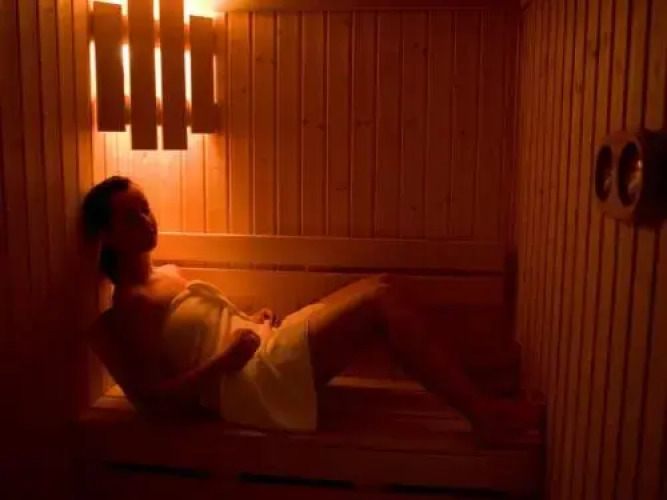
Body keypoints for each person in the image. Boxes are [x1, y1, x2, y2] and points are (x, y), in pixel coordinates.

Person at [82, 176, 541, 444]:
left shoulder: (169, 272)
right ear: (107, 235)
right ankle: (483, 412)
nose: (147, 221)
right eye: (131, 217)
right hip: (253, 382)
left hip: (262, 350)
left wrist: (250, 322)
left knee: (388, 288)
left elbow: (207, 330)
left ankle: (485, 389)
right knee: (381, 298)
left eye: (146, 209)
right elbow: (154, 403)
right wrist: (225, 361)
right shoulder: (133, 305)